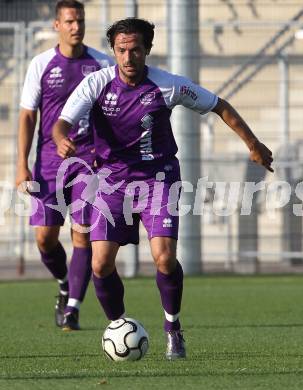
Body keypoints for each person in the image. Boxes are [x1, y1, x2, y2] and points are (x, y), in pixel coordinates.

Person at [52, 18, 273, 358]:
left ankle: (173, 328)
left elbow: (219, 105)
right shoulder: (96, 84)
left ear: (147, 51)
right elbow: (62, 123)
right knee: (100, 264)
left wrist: (253, 144)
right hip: (110, 182)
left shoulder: (168, 85)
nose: (128, 57)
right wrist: (61, 138)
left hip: (158, 180)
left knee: (165, 258)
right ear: (114, 51)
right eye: (122, 50)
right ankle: (119, 326)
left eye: (136, 50)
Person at [15, 0, 114, 331]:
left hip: (89, 162)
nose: (77, 26)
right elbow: (28, 115)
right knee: (45, 238)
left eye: (81, 20)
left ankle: (72, 307)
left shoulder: (101, 63)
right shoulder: (41, 64)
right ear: (57, 25)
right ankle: (63, 283)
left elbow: (112, 112)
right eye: (70, 21)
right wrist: (21, 164)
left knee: (82, 235)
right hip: (48, 162)